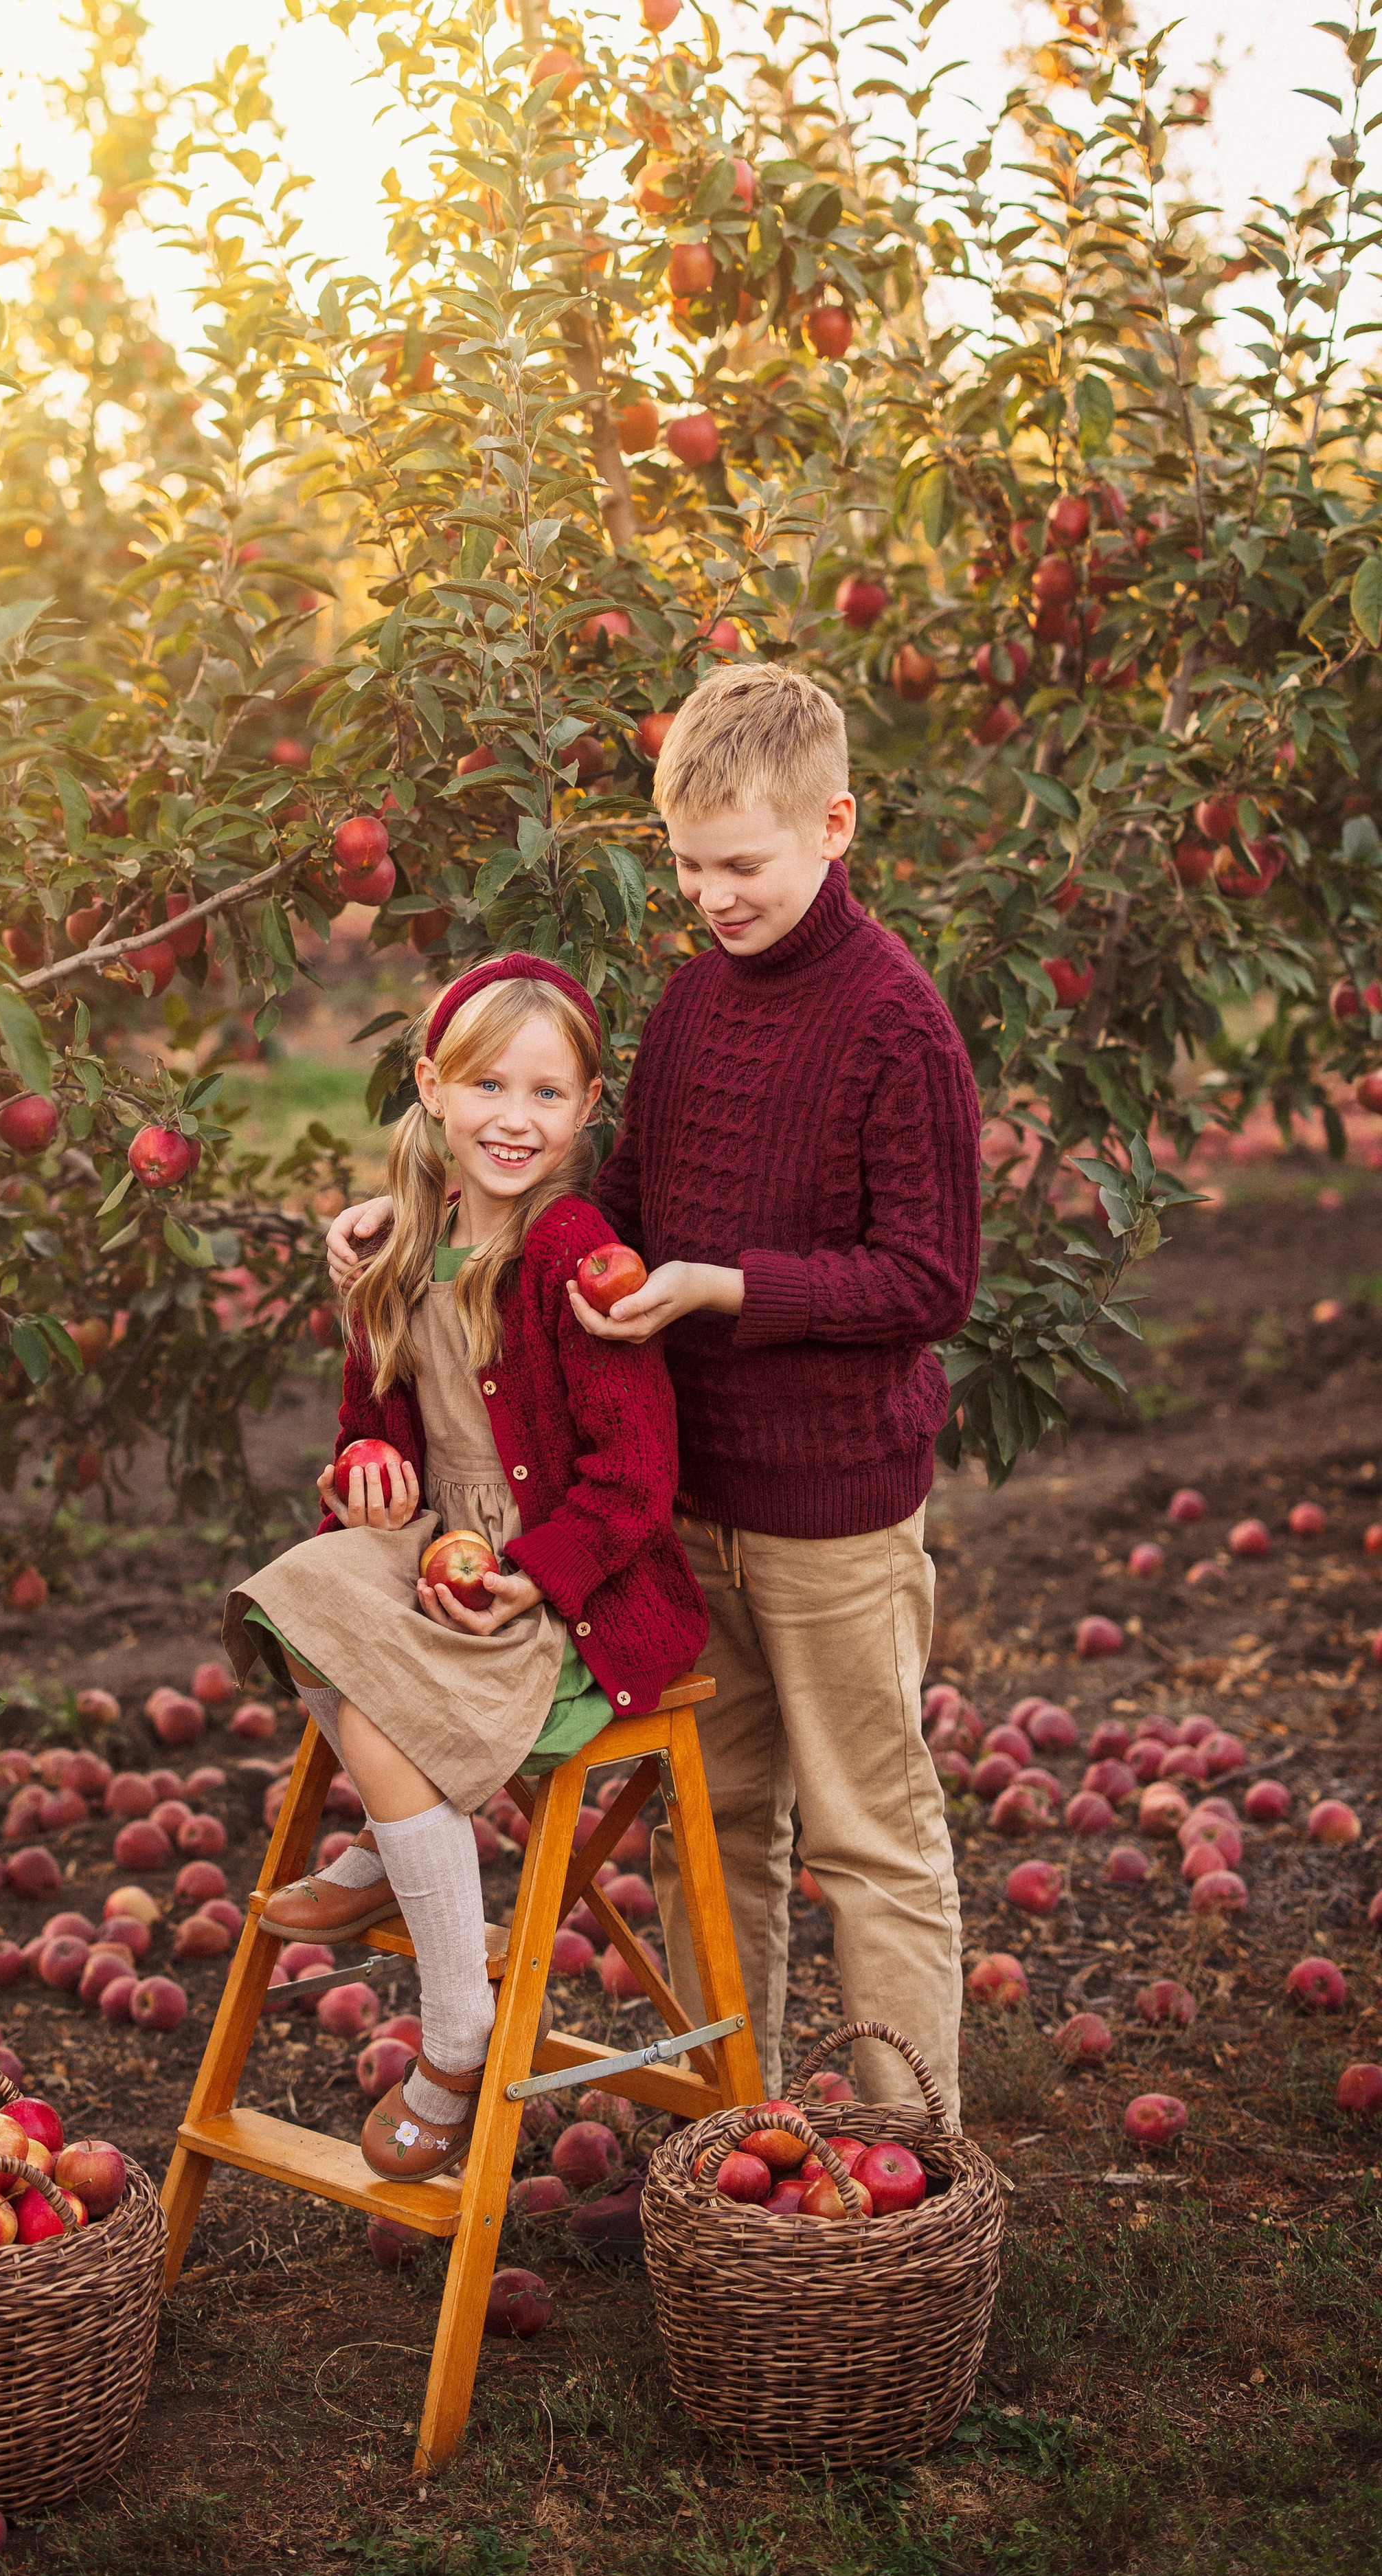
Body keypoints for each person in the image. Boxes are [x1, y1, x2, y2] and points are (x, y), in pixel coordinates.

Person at [328, 666, 982, 2117]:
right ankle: (721, 2134)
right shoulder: (689, 1002)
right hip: (679, 1499)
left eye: (740, 864)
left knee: (868, 1834)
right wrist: (418, 1222)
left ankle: (897, 2156)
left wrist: (728, 1288)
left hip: (828, 1517)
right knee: (721, 1819)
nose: (712, 895)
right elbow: (612, 1198)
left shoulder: (894, 1021)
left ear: (834, 823)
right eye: (687, 866)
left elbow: (927, 1276)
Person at [226, 954, 706, 2180]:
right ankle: (397, 1851)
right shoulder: (399, 1244)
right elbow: (369, 1427)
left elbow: (637, 1477)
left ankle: (454, 2031)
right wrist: (371, 1472)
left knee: (376, 1700)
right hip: (440, 1554)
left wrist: (535, 1576)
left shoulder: (570, 1250)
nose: (513, 1117)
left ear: (587, 1107)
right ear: (431, 1085)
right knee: (305, 1588)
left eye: (547, 1094)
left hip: (569, 1595)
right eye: (488, 1083)